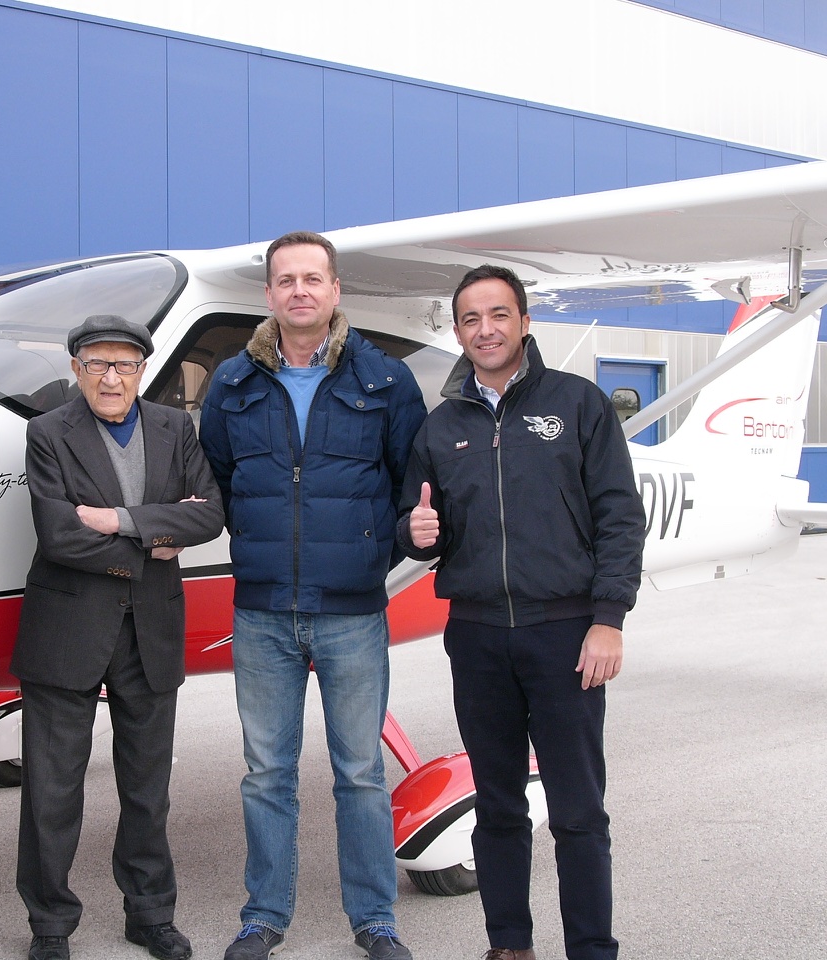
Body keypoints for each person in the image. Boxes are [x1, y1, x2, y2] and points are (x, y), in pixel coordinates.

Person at [397, 264, 646, 960]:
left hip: (564, 633)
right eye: (471, 319)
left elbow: (619, 517)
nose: (486, 330)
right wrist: (415, 532)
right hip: (476, 637)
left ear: (525, 322)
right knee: (498, 807)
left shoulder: (577, 403)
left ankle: (591, 949)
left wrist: (608, 618)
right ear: (458, 332)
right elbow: (417, 522)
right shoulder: (441, 426)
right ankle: (509, 946)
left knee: (577, 811)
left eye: (499, 314)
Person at [199, 231, 426, 960]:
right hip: (262, 611)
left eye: (312, 278)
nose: (299, 290)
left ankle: (375, 919)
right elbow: (221, 481)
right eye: (285, 280)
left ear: (335, 290)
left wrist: (374, 554)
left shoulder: (386, 380)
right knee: (267, 775)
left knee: (359, 772)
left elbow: (411, 487)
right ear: (268, 293)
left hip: (351, 611)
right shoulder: (232, 383)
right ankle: (264, 915)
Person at [11, 314, 224, 960]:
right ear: (76, 370)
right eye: (97, 364)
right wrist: (156, 536)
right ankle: (50, 924)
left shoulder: (175, 428)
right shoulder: (48, 433)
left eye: (125, 364)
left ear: (141, 371)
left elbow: (210, 515)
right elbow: (59, 536)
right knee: (51, 791)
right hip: (67, 630)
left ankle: (150, 913)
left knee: (147, 789)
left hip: (150, 628)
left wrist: (120, 520)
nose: (112, 377)